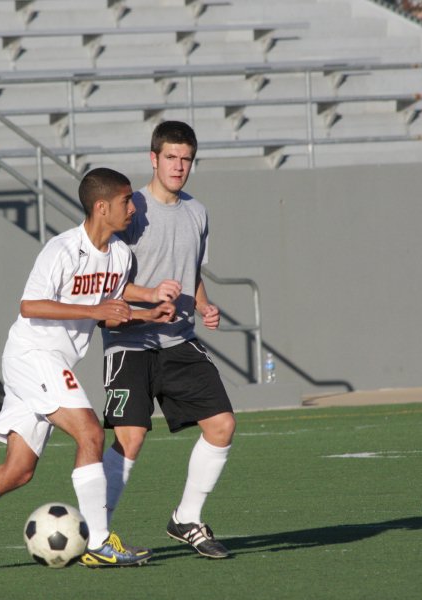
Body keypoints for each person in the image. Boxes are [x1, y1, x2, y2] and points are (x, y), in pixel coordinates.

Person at [0, 167, 177, 574]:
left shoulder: (121, 255)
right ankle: (99, 543)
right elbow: (30, 306)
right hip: (32, 355)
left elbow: (112, 307)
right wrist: (97, 310)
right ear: (102, 207)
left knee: (19, 470)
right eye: (126, 200)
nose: (134, 206)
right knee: (89, 432)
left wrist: (151, 311)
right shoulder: (62, 249)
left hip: (52, 362)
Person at [100, 121, 235, 559]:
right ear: (153, 158)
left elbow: (191, 272)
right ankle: (95, 534)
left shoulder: (197, 212)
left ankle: (186, 518)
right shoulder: (128, 209)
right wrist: (146, 304)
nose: (179, 167)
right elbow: (105, 280)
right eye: (171, 157)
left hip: (178, 340)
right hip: (130, 343)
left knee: (222, 425)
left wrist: (204, 304)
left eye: (186, 159)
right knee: (131, 436)